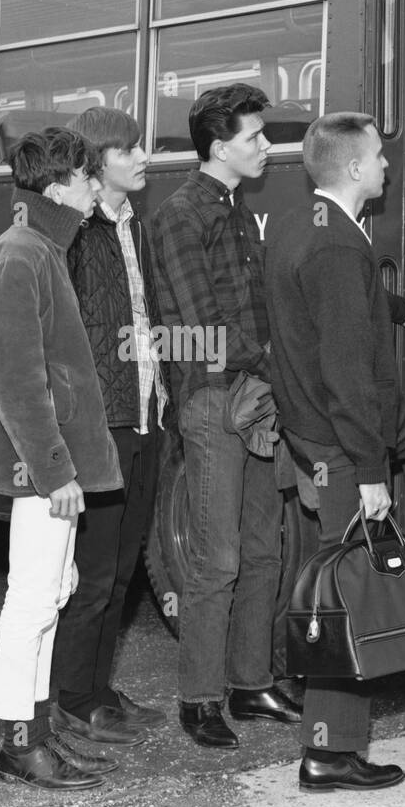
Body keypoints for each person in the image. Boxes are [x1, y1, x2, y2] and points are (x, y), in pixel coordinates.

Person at [267, 112, 405, 790]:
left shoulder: (305, 227)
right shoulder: (337, 246)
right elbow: (348, 369)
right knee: (343, 590)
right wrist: (369, 469)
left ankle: (335, 745)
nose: (387, 166)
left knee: (339, 580)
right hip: (338, 440)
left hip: (315, 432)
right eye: (379, 157)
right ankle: (328, 751)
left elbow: (337, 322)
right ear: (353, 168)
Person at [0, 128, 123, 790]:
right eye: (86, 176)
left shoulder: (38, 248)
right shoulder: (23, 253)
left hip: (47, 465)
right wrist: (55, 471)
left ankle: (36, 733)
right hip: (38, 467)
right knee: (32, 600)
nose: (94, 187)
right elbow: (15, 378)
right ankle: (21, 745)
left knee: (50, 593)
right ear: (59, 186)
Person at [148, 83, 300, 749]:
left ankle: (251, 681)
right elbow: (200, 328)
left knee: (264, 550)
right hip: (214, 401)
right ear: (218, 146)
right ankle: (200, 698)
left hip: (255, 396)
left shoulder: (235, 209)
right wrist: (272, 356)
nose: (266, 145)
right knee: (219, 557)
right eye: (254, 137)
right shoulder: (182, 215)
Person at [48, 108, 169, 746]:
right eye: (131, 148)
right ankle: (73, 697)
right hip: (100, 425)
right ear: (97, 163)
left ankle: (96, 689)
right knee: (93, 573)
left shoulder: (134, 228)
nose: (144, 156)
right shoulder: (72, 233)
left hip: (145, 414)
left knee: (122, 571)